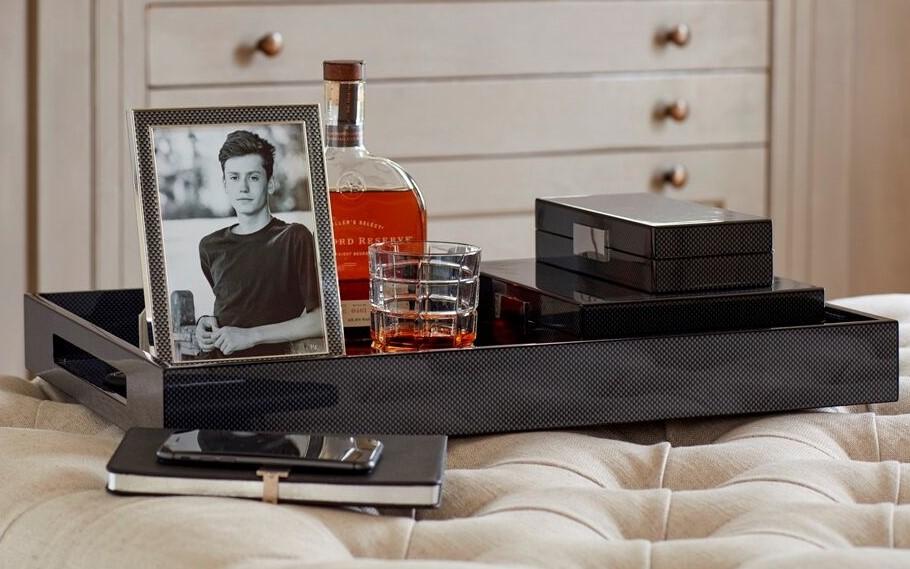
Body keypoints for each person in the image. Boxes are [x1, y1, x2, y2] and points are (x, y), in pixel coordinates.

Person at [194, 130, 323, 358]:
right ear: (225, 184)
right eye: (234, 178)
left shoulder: (294, 237)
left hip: (268, 369)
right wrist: (205, 324)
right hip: (214, 365)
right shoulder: (210, 245)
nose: (243, 188)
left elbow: (320, 320)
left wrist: (250, 336)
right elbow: (236, 307)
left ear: (270, 184)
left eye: (253, 177)